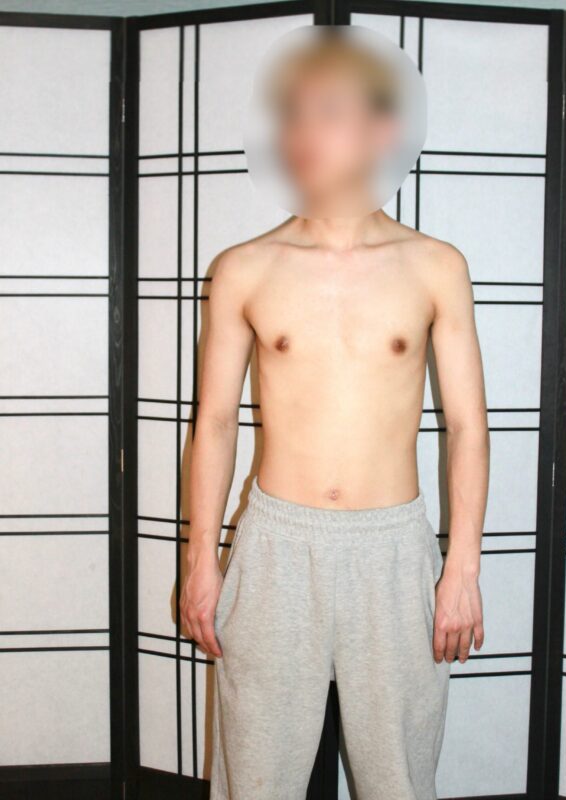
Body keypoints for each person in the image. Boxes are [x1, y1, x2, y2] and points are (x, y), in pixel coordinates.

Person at [180, 27, 490, 800]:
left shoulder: (436, 266)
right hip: (275, 546)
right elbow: (213, 424)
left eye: (326, 111)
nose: (301, 133)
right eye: (292, 114)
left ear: (383, 129)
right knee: (255, 779)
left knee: (397, 780)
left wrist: (461, 569)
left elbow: (466, 427)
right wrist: (199, 561)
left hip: (393, 551)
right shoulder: (243, 269)